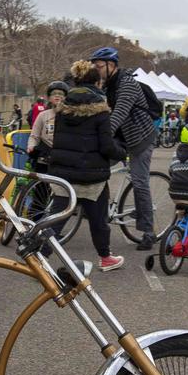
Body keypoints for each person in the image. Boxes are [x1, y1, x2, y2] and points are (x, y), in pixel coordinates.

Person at [49, 61, 129, 271]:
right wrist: (122, 153)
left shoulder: (62, 109)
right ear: (97, 82)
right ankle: (105, 258)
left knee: (56, 219)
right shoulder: (101, 111)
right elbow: (106, 146)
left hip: (64, 174)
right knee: (98, 220)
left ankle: (38, 257)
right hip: (92, 176)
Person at [90, 46, 159, 246]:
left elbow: (118, 114)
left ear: (112, 65)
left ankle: (148, 232)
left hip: (141, 138)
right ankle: (98, 210)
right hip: (121, 138)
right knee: (95, 166)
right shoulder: (106, 86)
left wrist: (103, 136)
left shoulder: (127, 83)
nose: (97, 70)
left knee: (139, 181)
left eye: (99, 66)